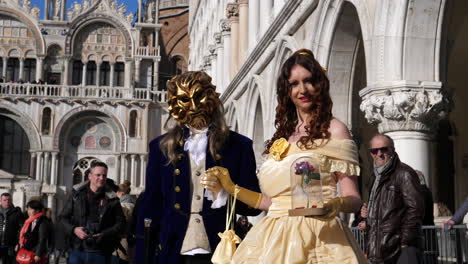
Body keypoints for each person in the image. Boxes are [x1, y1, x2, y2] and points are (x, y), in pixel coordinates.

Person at [204, 49, 366, 263]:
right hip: (273, 241)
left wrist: (334, 205)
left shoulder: (335, 130)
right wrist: (231, 187)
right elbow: (271, 203)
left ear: (320, 84)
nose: (303, 89)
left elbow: (354, 198)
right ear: (286, 90)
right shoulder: (281, 137)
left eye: (308, 81)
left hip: (320, 239)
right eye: (294, 83)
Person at [135, 71, 261, 264]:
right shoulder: (159, 147)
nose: (194, 107)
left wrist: (227, 192)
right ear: (175, 103)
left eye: (200, 96)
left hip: (219, 252)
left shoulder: (238, 146)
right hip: (173, 251)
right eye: (185, 100)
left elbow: (253, 208)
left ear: (211, 96)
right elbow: (151, 207)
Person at [365, 134, 425, 264]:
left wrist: (404, 240)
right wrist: (366, 215)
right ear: (371, 154)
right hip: (380, 250)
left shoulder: (404, 173)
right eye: (374, 151)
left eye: (384, 149)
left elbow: (415, 208)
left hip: (401, 249)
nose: (379, 154)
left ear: (392, 149)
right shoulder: (374, 177)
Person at [59, 161, 126, 264]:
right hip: (78, 250)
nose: (102, 178)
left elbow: (121, 223)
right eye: (98, 175)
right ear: (90, 176)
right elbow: (63, 218)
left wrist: (104, 234)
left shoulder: (112, 199)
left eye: (104, 175)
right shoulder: (76, 195)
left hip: (102, 252)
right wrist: (74, 230)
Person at [17, 200, 52, 264]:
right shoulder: (30, 221)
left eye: (30, 209)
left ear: (37, 210)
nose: (28, 211)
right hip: (28, 250)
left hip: (35, 252)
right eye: (28, 209)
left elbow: (42, 239)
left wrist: (38, 254)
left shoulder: (43, 221)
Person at [113, 181, 135, 264]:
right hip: (126, 238)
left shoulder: (124, 205)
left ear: (120, 193)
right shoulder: (132, 201)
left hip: (123, 238)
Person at [0, 193, 25, 264]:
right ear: (0, 201)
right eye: (5, 200)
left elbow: (21, 229)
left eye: (9, 200)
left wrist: (18, 242)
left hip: (11, 244)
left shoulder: (17, 212)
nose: (7, 202)